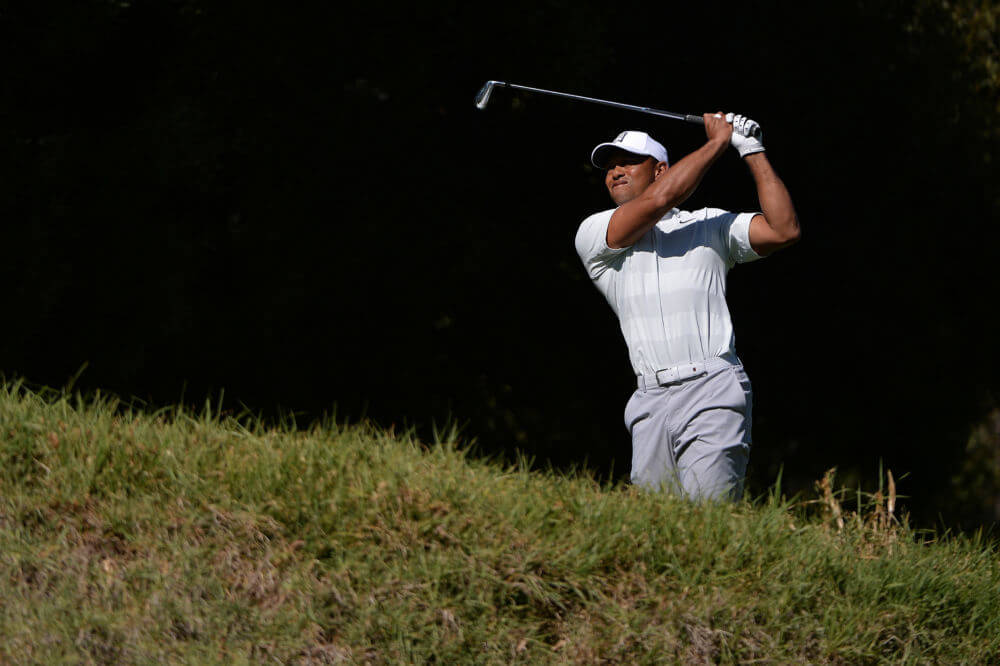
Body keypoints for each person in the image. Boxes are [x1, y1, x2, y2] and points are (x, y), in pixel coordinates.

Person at [574, 113, 800, 501]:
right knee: (653, 528)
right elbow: (661, 200)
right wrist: (716, 143)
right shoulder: (595, 233)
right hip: (648, 402)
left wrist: (751, 150)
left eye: (628, 161)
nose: (615, 171)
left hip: (712, 386)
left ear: (660, 169)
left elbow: (783, 229)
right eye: (609, 166)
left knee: (709, 518)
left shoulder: (708, 225)